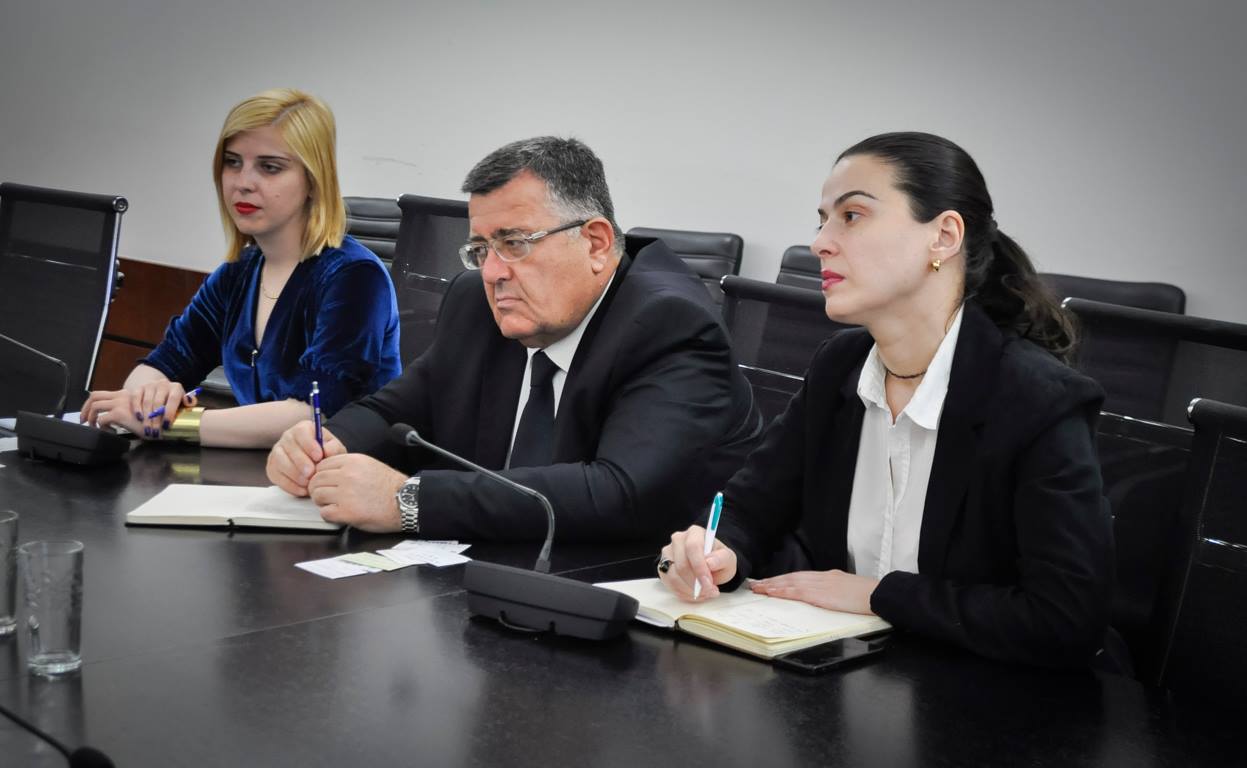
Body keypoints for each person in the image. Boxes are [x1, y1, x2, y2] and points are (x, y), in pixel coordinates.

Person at [658, 132, 1118, 669]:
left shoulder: (1036, 398)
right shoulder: (840, 366)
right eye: (822, 220)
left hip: (989, 694)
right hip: (844, 674)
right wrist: (718, 551)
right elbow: (749, 506)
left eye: (852, 216)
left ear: (943, 236)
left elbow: (1064, 619)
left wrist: (880, 594)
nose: (820, 243)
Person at [266, 136, 762, 540]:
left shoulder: (669, 323)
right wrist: (327, 444)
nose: (492, 272)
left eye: (515, 243)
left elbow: (618, 492)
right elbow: (396, 411)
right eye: (481, 248)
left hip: (630, 589)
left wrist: (409, 501)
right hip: (492, 572)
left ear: (595, 243)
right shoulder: (478, 304)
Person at [81, 88, 401, 448]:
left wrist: (170, 425)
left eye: (270, 167)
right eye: (233, 162)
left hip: (346, 472)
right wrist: (148, 396)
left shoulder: (355, 277)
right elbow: (166, 361)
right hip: (262, 469)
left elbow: (313, 414)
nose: (243, 182)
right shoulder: (239, 272)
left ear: (314, 180)